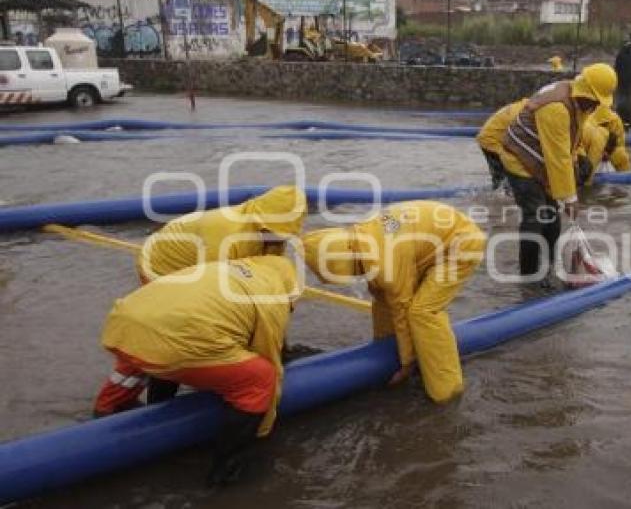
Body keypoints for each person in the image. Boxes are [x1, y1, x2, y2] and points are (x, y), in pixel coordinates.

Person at [93, 255, 300, 486]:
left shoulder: (223, 268)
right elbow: (268, 356)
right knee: (260, 378)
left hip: (124, 325)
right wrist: (261, 428)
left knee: (162, 351)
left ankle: (107, 411)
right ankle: (225, 471)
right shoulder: (272, 297)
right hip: (175, 344)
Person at [301, 201, 486, 404]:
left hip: (462, 243)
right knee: (383, 297)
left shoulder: (386, 262)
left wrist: (407, 364)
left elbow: (401, 306)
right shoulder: (362, 239)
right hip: (437, 240)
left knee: (422, 312)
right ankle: (390, 350)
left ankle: (448, 391)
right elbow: (383, 300)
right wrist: (383, 343)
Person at [498, 63, 618, 278]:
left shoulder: (577, 101)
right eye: (595, 100)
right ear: (587, 92)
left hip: (541, 159)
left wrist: (570, 183)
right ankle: (529, 276)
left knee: (552, 216)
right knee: (534, 216)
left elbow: (570, 144)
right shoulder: (557, 108)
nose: (595, 105)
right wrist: (570, 198)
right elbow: (558, 158)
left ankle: (550, 265)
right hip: (520, 159)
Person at [137, 185, 307, 283]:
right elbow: (211, 288)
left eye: (282, 235)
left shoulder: (275, 236)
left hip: (197, 252)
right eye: (271, 231)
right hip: (161, 263)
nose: (277, 238)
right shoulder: (226, 236)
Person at [475, 98, 527, 190]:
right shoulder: (524, 113)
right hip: (491, 141)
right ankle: (502, 196)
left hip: (489, 138)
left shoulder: (524, 105)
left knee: (503, 176)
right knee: (507, 176)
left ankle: (500, 194)